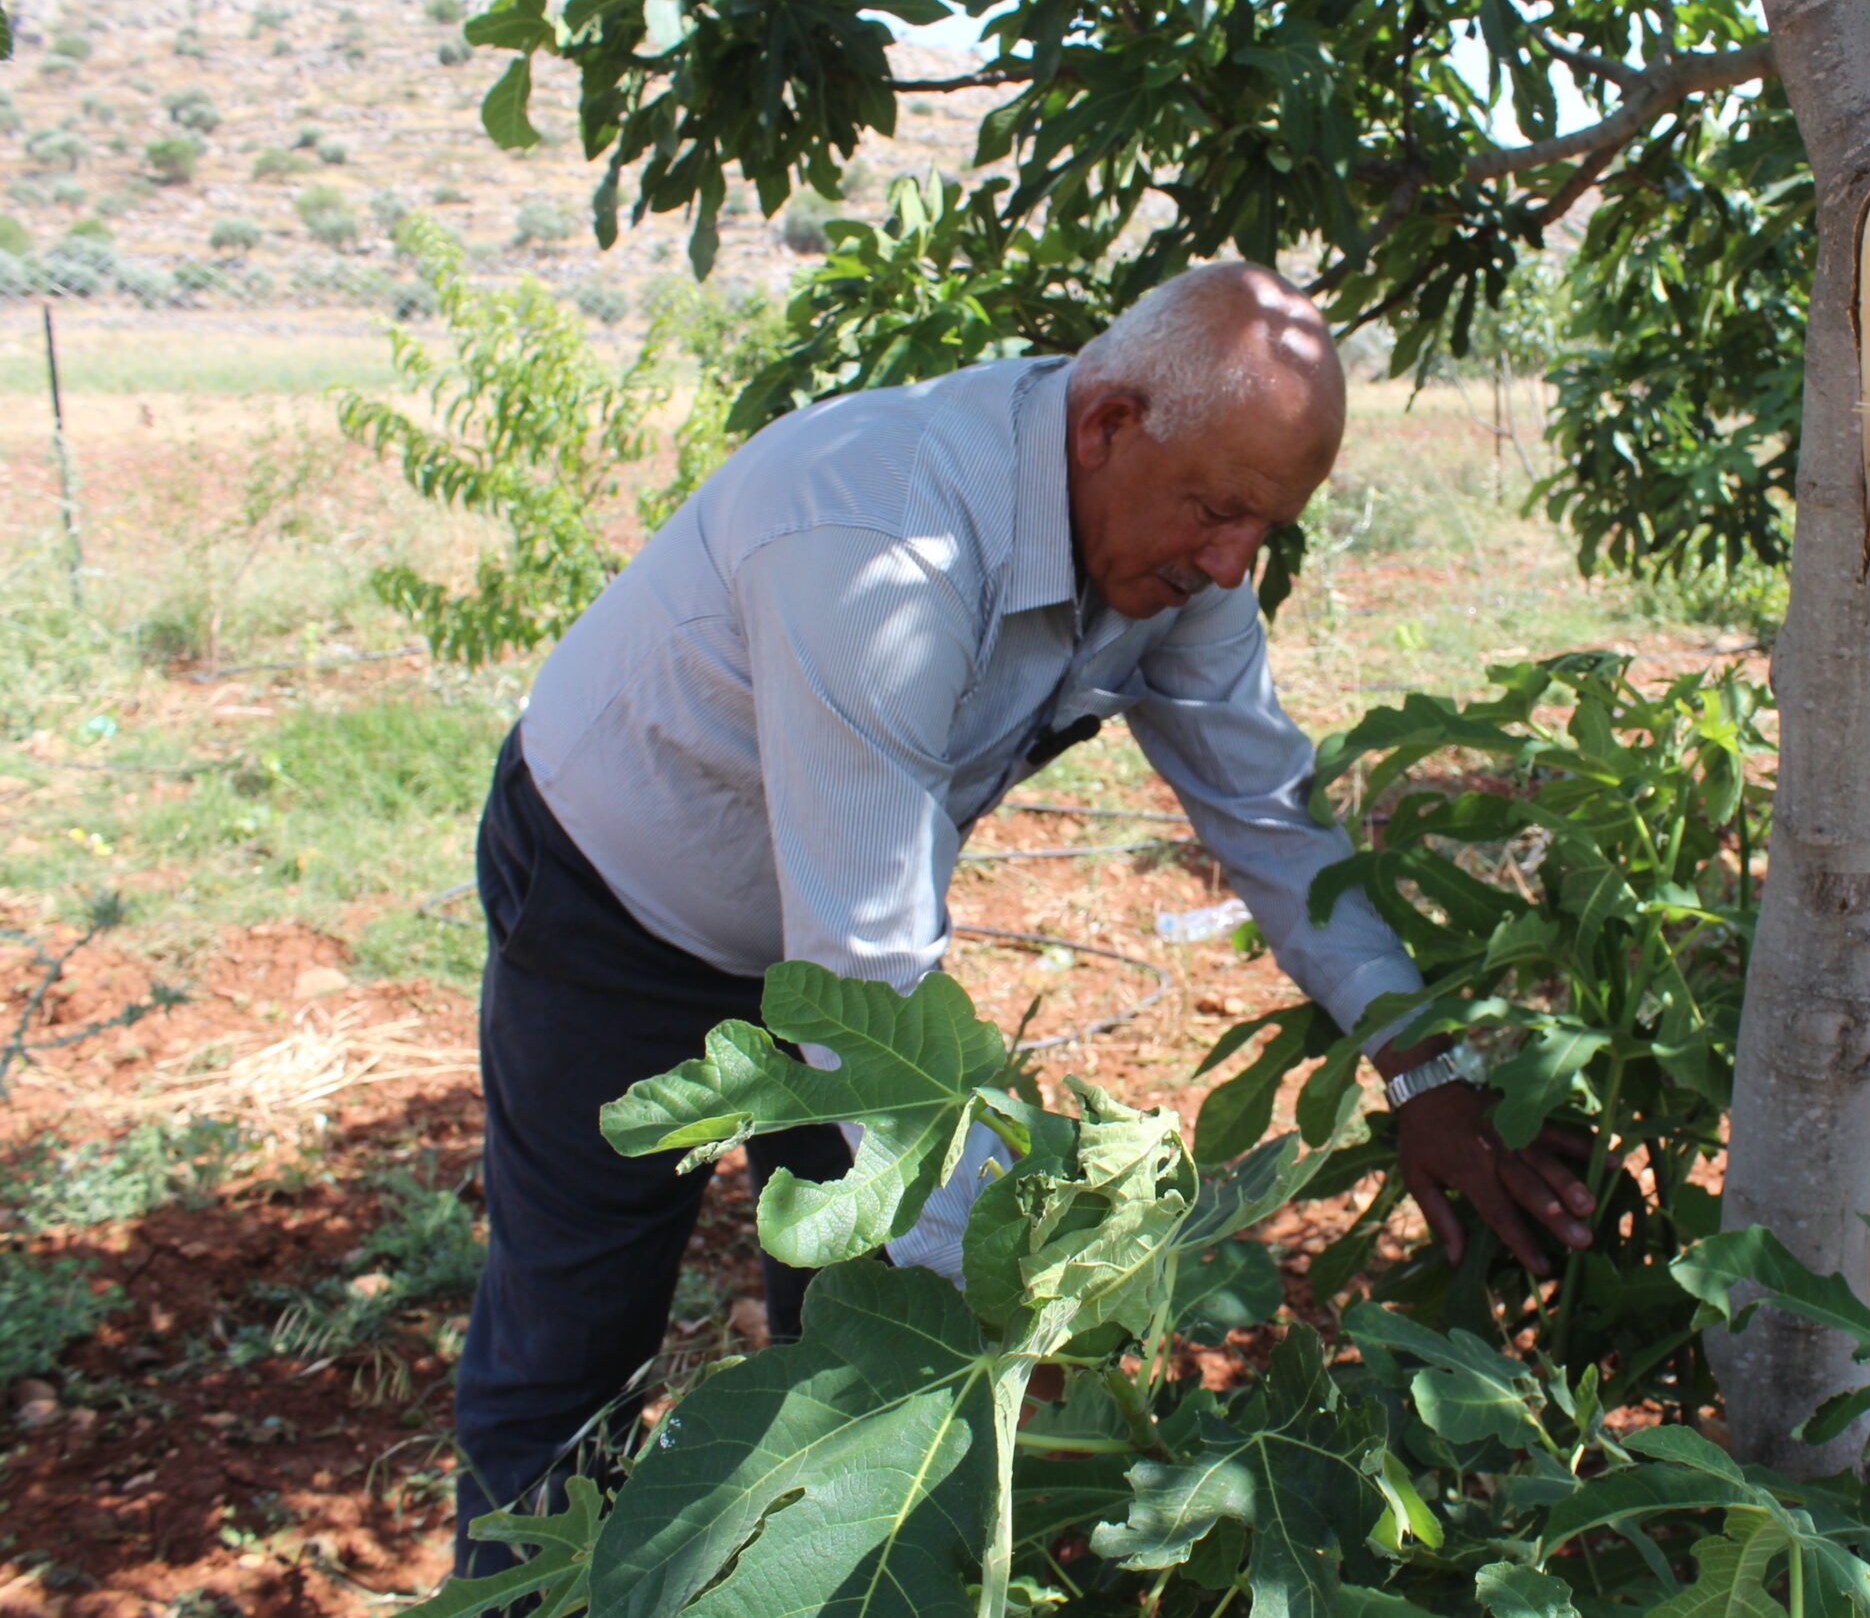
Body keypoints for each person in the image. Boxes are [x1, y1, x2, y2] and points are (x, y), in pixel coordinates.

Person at [451, 262, 1599, 1573]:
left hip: (838, 940)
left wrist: (1423, 1064)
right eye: (1219, 513)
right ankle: (514, 1595)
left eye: (1263, 532)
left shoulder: (1184, 557)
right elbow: (869, 972)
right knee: (576, 1340)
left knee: (869, 1355)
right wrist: (1007, 1289)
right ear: (1106, 424)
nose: (1233, 564)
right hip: (620, 903)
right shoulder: (883, 544)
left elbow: (1267, 813)